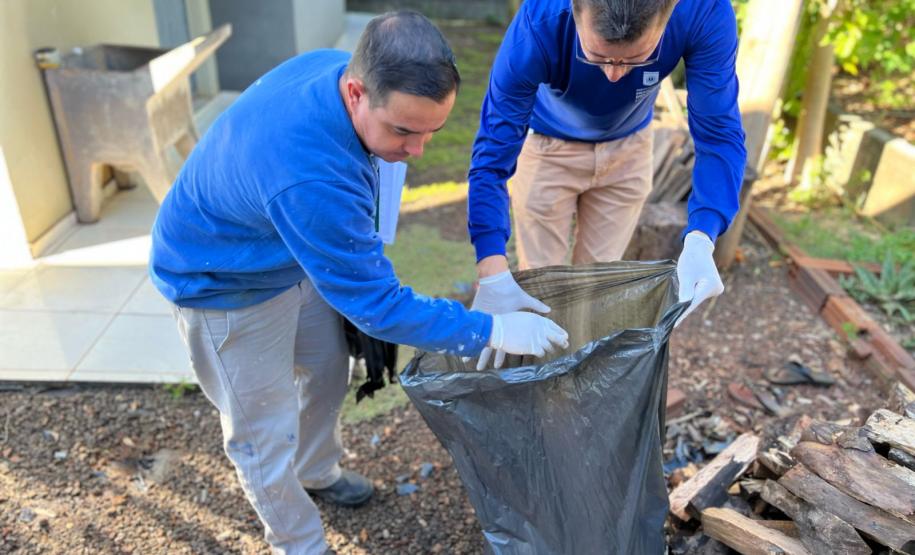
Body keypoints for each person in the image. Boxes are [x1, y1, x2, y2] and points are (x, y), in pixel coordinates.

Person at [149, 12, 568, 554]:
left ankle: (316, 470)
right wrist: (488, 331)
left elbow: (357, 235)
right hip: (219, 281)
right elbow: (376, 303)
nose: (416, 152)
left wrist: (355, 264)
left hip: (285, 252)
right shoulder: (311, 174)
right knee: (261, 437)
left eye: (430, 132)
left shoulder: (336, 70)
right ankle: (300, 544)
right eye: (403, 131)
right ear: (355, 93)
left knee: (327, 373)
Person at [466, 0, 748, 351]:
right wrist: (492, 271)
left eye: (635, 59)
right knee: (540, 282)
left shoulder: (702, 11)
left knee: (596, 288)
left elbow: (718, 133)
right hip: (546, 146)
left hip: (629, 147)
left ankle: (578, 379)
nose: (614, 75)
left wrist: (702, 237)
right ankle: (537, 382)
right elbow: (491, 157)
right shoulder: (539, 22)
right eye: (597, 57)